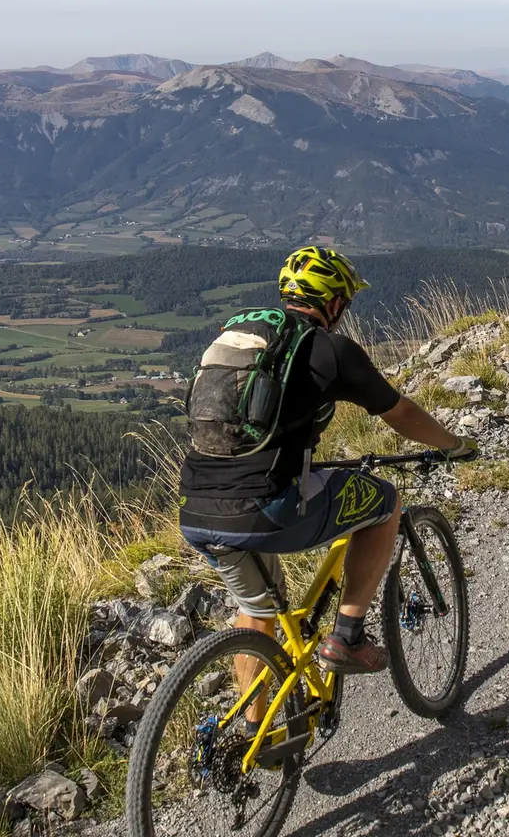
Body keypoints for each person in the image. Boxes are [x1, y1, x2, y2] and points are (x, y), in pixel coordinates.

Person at [179, 246, 477, 674]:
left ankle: (253, 734)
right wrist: (454, 445)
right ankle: (348, 637)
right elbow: (403, 415)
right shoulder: (331, 350)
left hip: (195, 507)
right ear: (334, 302)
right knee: (386, 504)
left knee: (257, 614)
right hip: (264, 511)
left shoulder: (250, 343)